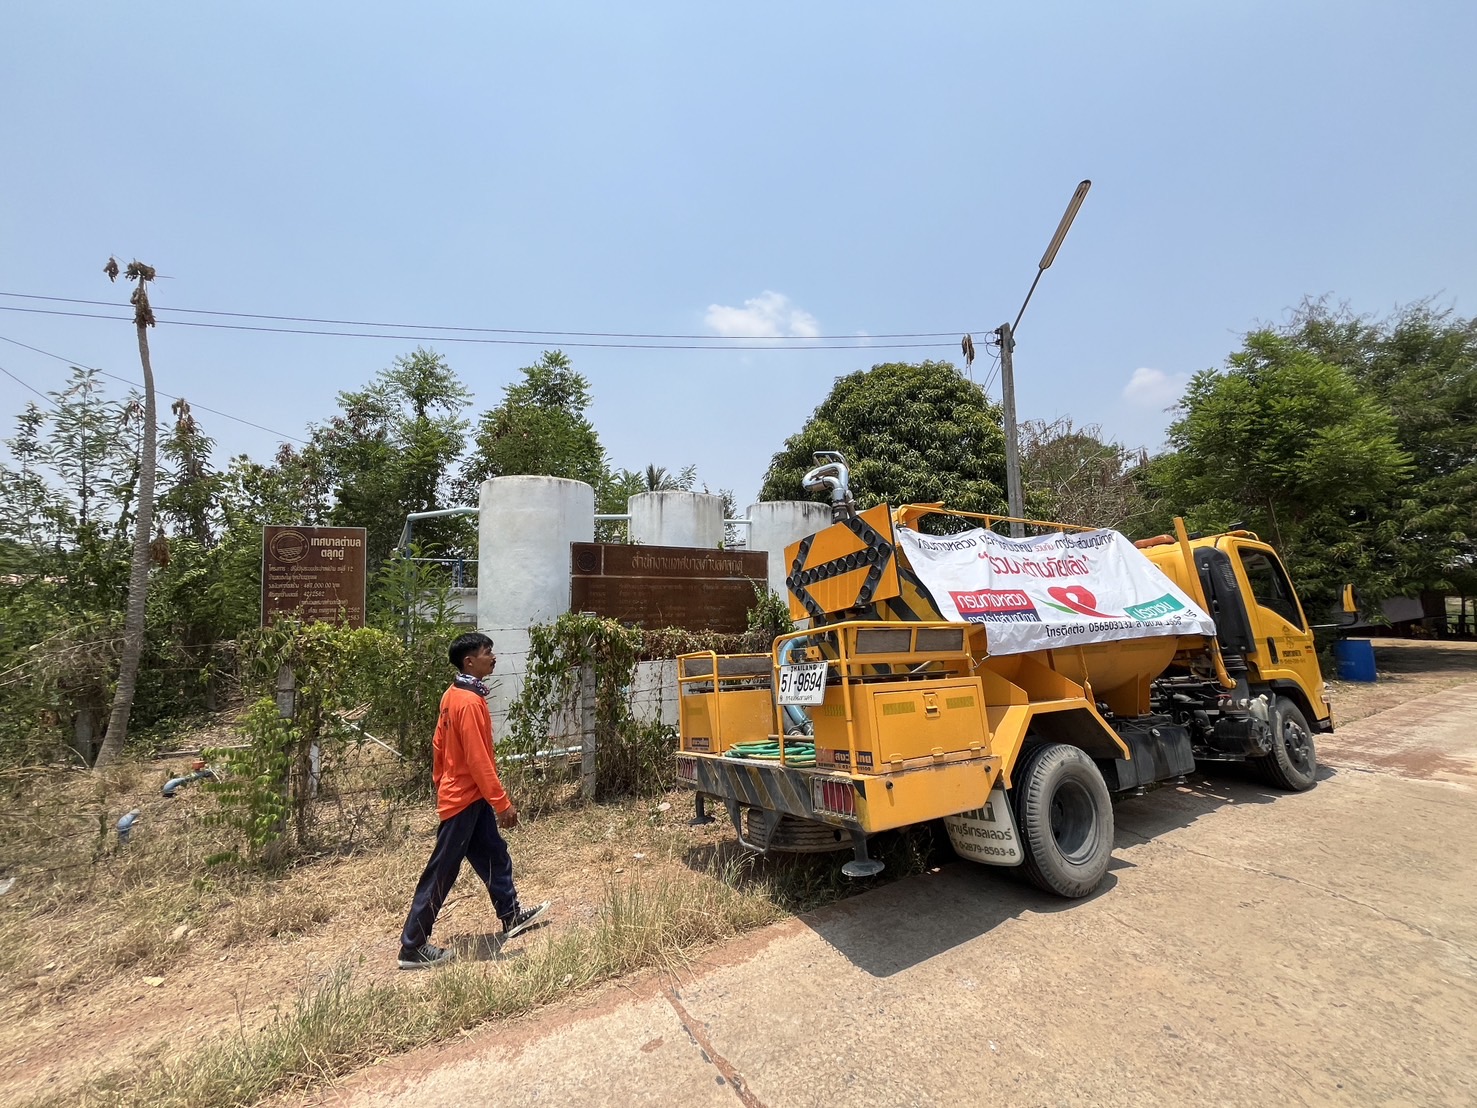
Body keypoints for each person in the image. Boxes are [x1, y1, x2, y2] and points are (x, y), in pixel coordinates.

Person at [398, 632, 549, 969]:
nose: (493, 657)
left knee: (494, 853)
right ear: (469, 662)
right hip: (464, 799)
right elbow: (479, 760)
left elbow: (438, 744)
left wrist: (442, 781)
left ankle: (511, 915)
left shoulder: (454, 694)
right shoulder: (467, 702)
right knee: (441, 872)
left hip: (468, 795)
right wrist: (502, 803)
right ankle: (413, 946)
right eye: (487, 652)